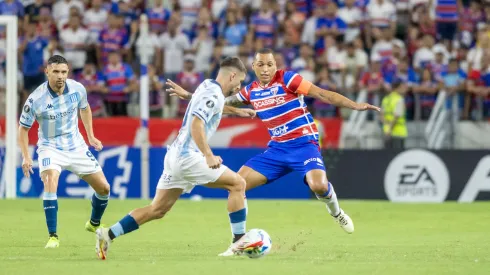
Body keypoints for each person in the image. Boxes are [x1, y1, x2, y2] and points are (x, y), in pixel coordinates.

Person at [167, 48, 381, 250]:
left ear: (275, 65)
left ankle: (336, 211)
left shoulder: (288, 79)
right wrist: (188, 95)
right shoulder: (250, 91)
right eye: (261, 64)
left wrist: (355, 105)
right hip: (277, 150)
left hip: (304, 145)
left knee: (318, 186)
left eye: (270, 64)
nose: (266, 69)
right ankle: (238, 241)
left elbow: (322, 94)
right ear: (254, 66)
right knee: (236, 184)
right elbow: (216, 101)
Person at [94, 57, 257, 260]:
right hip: (189, 157)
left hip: (174, 155)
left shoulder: (206, 85)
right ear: (232, 76)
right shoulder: (214, 94)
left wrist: (237, 111)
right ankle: (239, 243)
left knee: (157, 209)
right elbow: (196, 124)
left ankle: (108, 234)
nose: (238, 86)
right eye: (239, 81)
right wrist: (208, 155)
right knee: (238, 184)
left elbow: (208, 103)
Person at [18, 55, 111, 248]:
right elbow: (23, 129)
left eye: (64, 72)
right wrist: (26, 156)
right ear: (47, 72)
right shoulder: (35, 99)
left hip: (76, 145)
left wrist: (91, 136)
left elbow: (85, 109)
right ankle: (53, 236)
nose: (60, 76)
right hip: (50, 147)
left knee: (104, 189)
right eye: (56, 72)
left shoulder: (78, 89)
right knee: (51, 181)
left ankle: (93, 224)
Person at [381, 78, 407, 149]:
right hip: (398, 133)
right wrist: (390, 129)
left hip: (386, 132)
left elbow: (382, 115)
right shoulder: (399, 99)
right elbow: (396, 117)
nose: (404, 88)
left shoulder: (386, 99)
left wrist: (387, 129)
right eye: (403, 86)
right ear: (399, 87)